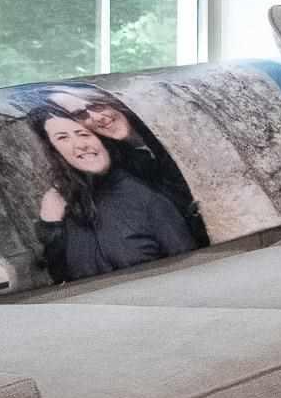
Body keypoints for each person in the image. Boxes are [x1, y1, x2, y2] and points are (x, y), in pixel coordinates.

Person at [28, 106, 197, 283]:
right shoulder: (64, 205)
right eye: (63, 138)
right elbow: (61, 282)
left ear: (102, 140)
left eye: (83, 134)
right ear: (56, 151)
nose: (80, 144)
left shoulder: (147, 197)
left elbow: (191, 276)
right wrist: (52, 228)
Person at [41, 85, 208, 246]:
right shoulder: (112, 162)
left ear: (113, 99)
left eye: (96, 104)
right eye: (80, 114)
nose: (97, 117)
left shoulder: (171, 125)